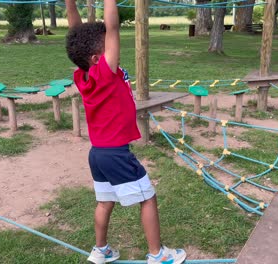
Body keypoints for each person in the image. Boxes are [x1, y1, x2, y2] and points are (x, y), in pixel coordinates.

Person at [64, 0, 187, 263]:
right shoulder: (104, 73)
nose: (112, 43)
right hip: (116, 154)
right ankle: (158, 255)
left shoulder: (82, 75)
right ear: (98, 59)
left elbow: (74, 34)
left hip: (97, 154)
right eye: (107, 43)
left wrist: (70, 4)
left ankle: (101, 250)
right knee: (148, 198)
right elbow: (113, 26)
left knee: (105, 201)